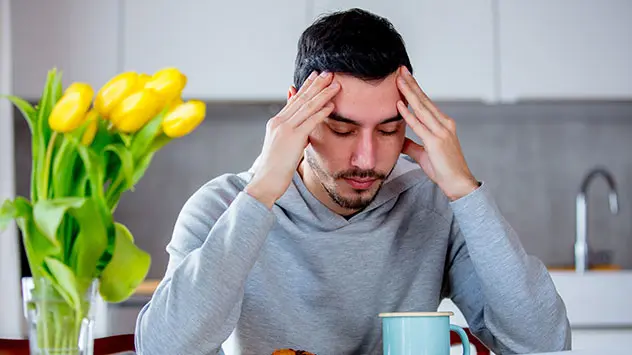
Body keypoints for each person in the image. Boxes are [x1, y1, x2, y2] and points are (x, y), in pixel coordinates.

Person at [135, 8, 571, 355]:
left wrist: (463, 190)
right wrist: (263, 191)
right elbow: (164, 349)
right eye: (342, 129)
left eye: (387, 130)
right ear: (295, 113)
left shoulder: (433, 207)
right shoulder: (222, 208)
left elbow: (540, 343)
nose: (366, 159)